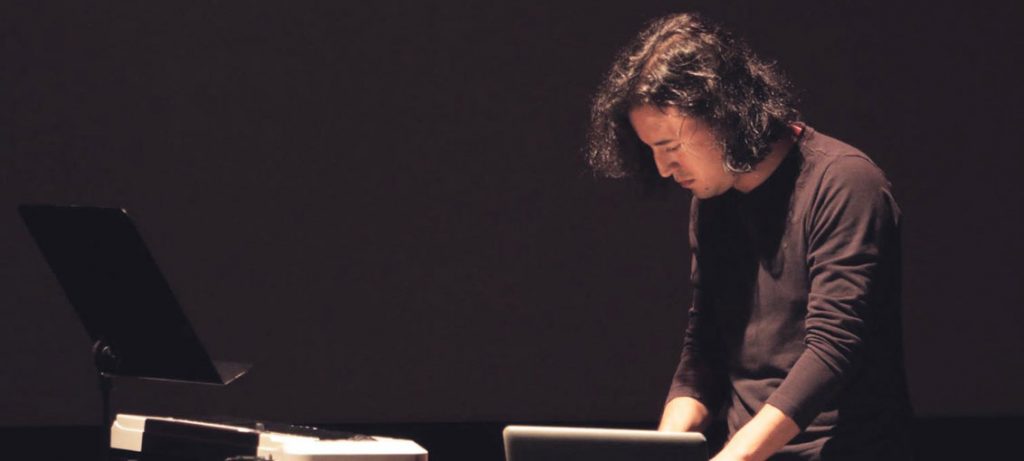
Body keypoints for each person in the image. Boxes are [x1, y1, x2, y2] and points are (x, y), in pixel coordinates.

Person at [586, 13, 914, 461]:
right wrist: (663, 450)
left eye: (670, 147)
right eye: (652, 151)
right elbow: (705, 348)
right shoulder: (713, 202)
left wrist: (736, 457)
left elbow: (832, 350)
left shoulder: (846, 183)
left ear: (721, 114)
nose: (663, 168)